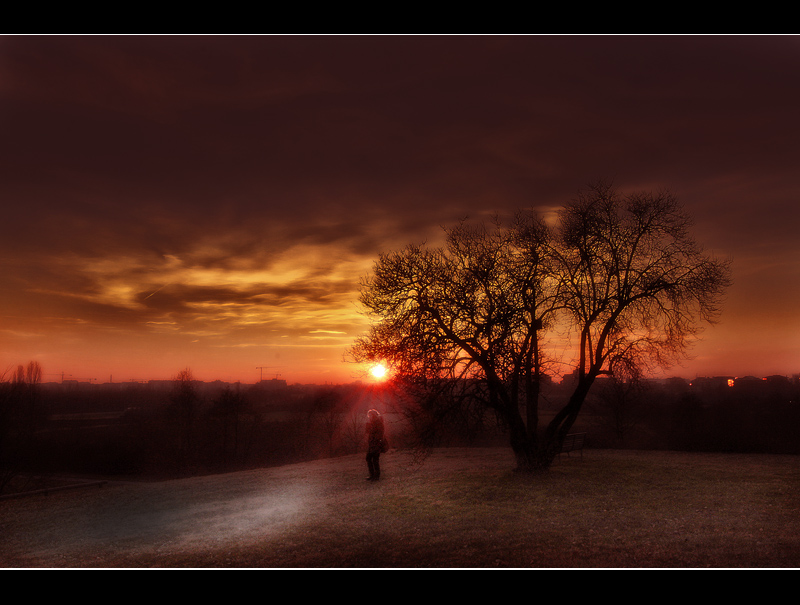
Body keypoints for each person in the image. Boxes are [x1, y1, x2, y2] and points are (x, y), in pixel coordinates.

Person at [365, 409, 387, 481]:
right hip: (372, 443)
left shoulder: (378, 423)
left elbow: (380, 433)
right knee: (369, 458)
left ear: (373, 415)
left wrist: (375, 440)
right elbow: (368, 433)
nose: (369, 417)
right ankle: (372, 475)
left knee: (375, 459)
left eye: (370, 415)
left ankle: (376, 476)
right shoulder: (372, 423)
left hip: (376, 443)